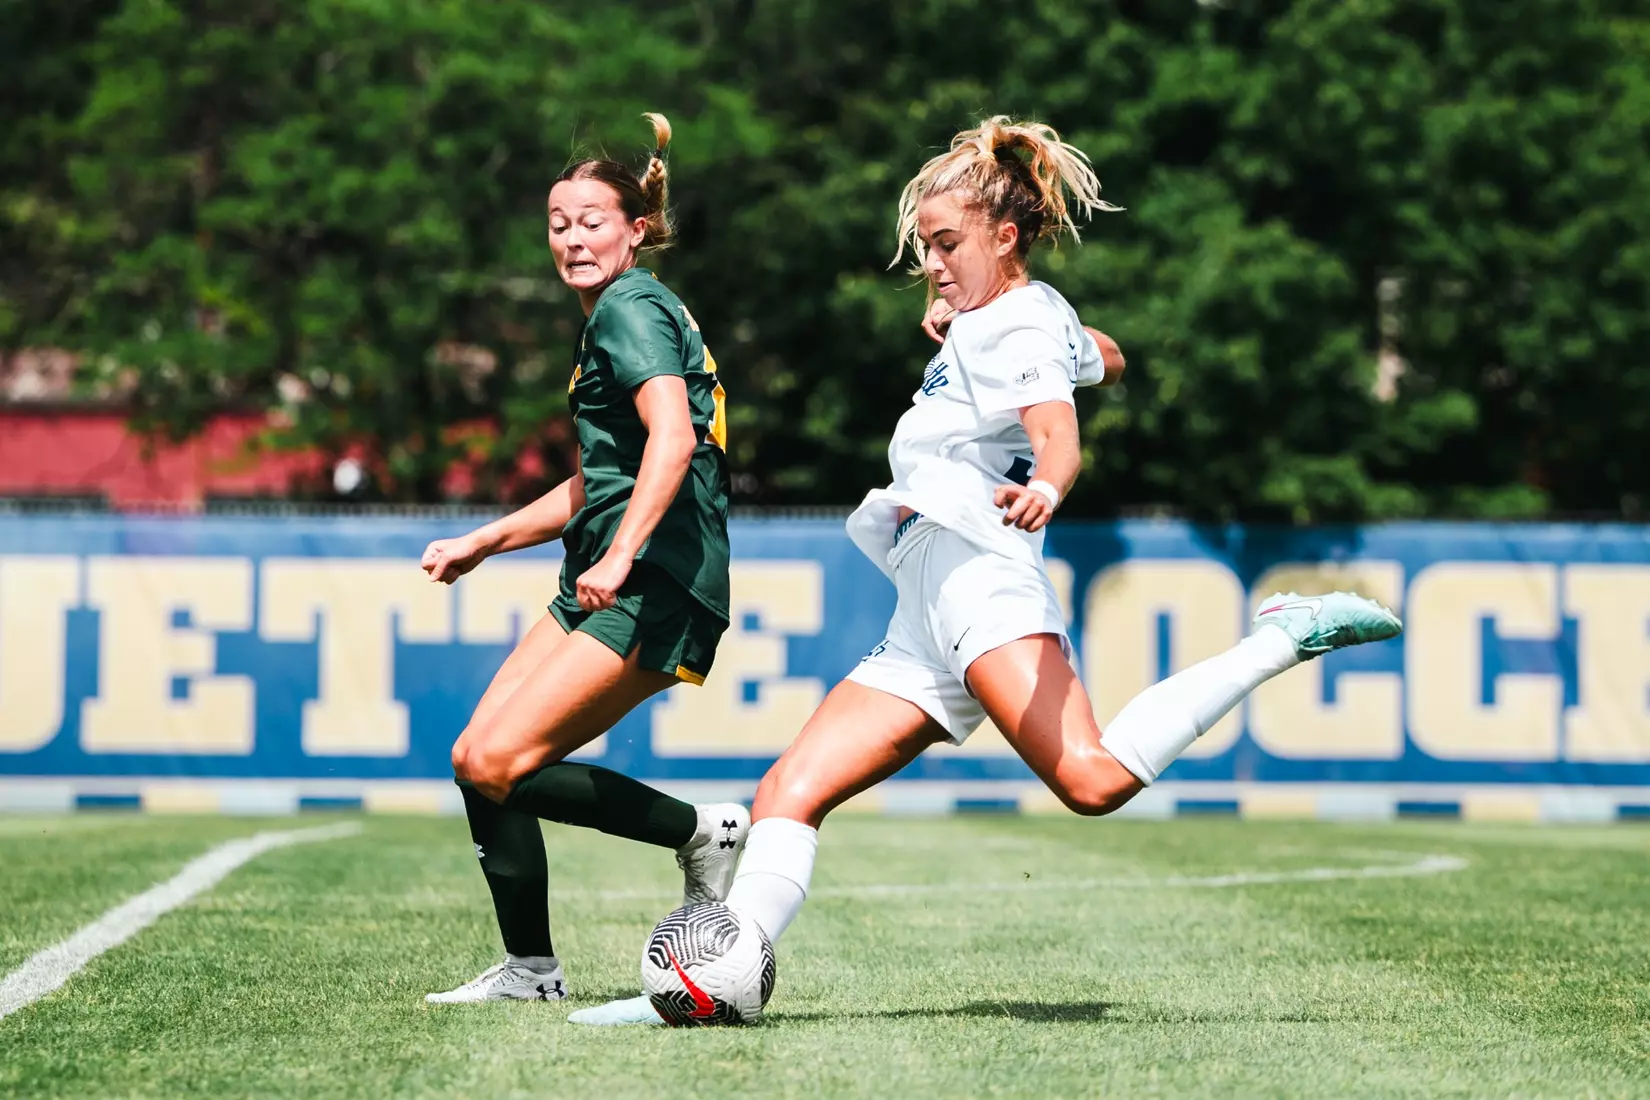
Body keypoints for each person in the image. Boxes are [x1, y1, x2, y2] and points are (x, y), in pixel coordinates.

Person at [571, 116, 1403, 1026]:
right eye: (926, 246)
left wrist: (1047, 478)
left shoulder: (1010, 326)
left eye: (946, 243)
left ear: (1005, 237)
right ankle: (702, 987)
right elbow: (1109, 359)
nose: (930, 263)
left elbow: (1058, 433)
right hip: (925, 600)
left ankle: (1282, 635)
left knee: (1090, 780)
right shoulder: (1011, 320)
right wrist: (1011, 332)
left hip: (977, 577)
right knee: (789, 793)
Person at [421, 113, 749, 1004]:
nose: (572, 236)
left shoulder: (629, 306)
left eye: (593, 219)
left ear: (636, 228)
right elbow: (599, 477)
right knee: (478, 760)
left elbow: (673, 443)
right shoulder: (614, 314)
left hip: (652, 578)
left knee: (496, 762)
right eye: (559, 221)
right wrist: (486, 541)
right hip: (605, 574)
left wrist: (624, 554)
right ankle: (531, 971)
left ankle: (700, 831)